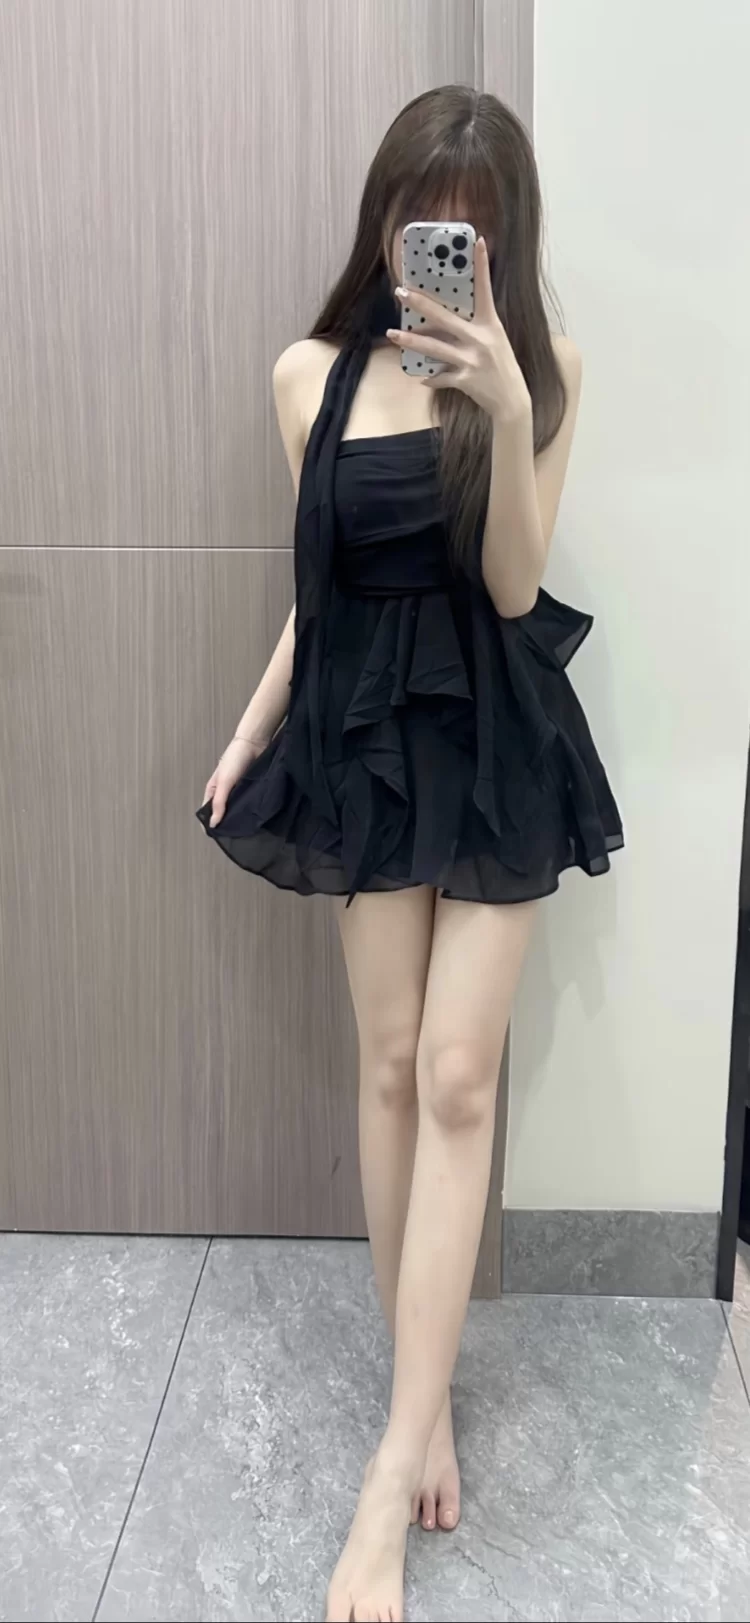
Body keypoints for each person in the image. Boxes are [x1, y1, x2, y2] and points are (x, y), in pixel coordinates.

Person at [198, 84, 622, 1623]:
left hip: (494, 732)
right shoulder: (308, 374)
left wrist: (503, 407)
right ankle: (419, 1394)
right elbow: (319, 593)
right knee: (386, 1064)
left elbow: (510, 587)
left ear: (505, 240)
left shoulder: (545, 366)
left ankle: (388, 1472)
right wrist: (250, 731)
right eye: (421, 219)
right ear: (382, 220)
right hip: (365, 730)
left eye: (473, 228)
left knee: (454, 1074)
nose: (442, 247)